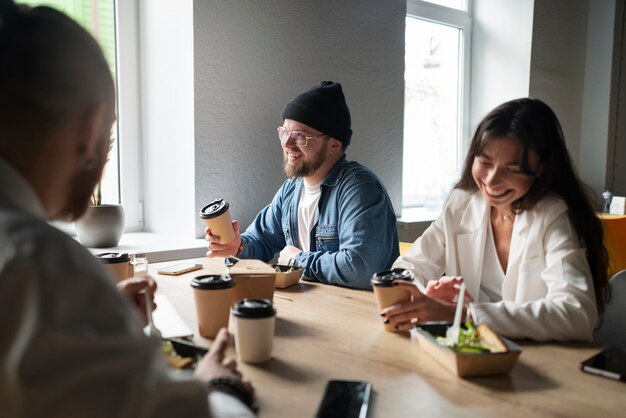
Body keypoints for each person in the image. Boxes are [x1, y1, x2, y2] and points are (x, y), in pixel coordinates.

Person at [0, 2, 255, 417]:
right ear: (89, 127)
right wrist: (217, 384)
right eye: (111, 132)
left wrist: (97, 319)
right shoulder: (41, 264)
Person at [382, 98, 610, 341]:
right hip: (471, 354)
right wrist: (425, 295)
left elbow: (577, 313)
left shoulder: (552, 215)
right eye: (485, 162)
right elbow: (407, 270)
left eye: (511, 169)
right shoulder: (461, 203)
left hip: (541, 362)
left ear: (541, 167)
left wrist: (463, 314)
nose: (491, 181)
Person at [205, 81, 399, 290]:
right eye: (284, 132)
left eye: (300, 136)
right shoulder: (292, 189)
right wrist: (238, 247)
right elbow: (260, 240)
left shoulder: (360, 190)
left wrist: (298, 260)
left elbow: (360, 270)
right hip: (317, 306)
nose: (287, 144)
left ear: (334, 144)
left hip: (359, 315)